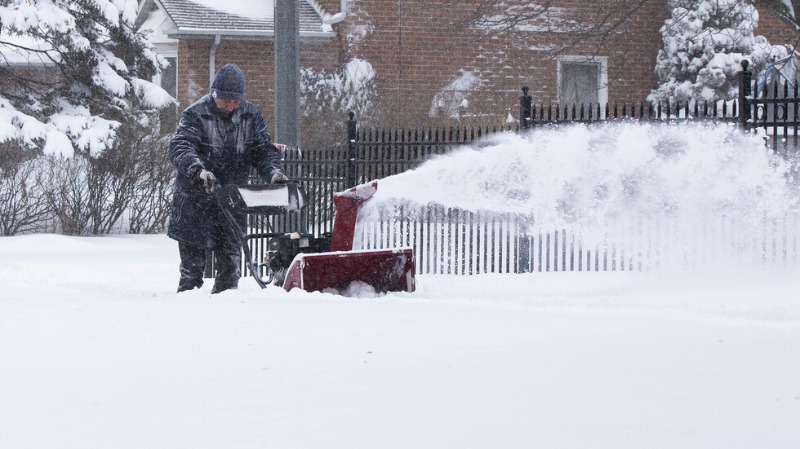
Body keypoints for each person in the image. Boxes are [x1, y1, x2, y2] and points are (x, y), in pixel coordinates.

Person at [167, 63, 289, 294]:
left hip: (232, 200)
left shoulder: (251, 116)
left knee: (231, 261)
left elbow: (263, 150)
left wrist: (273, 172)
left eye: (236, 101)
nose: (231, 106)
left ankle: (227, 303)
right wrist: (198, 170)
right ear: (215, 94)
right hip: (196, 199)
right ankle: (187, 305)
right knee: (192, 266)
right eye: (226, 100)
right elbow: (180, 146)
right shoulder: (195, 114)